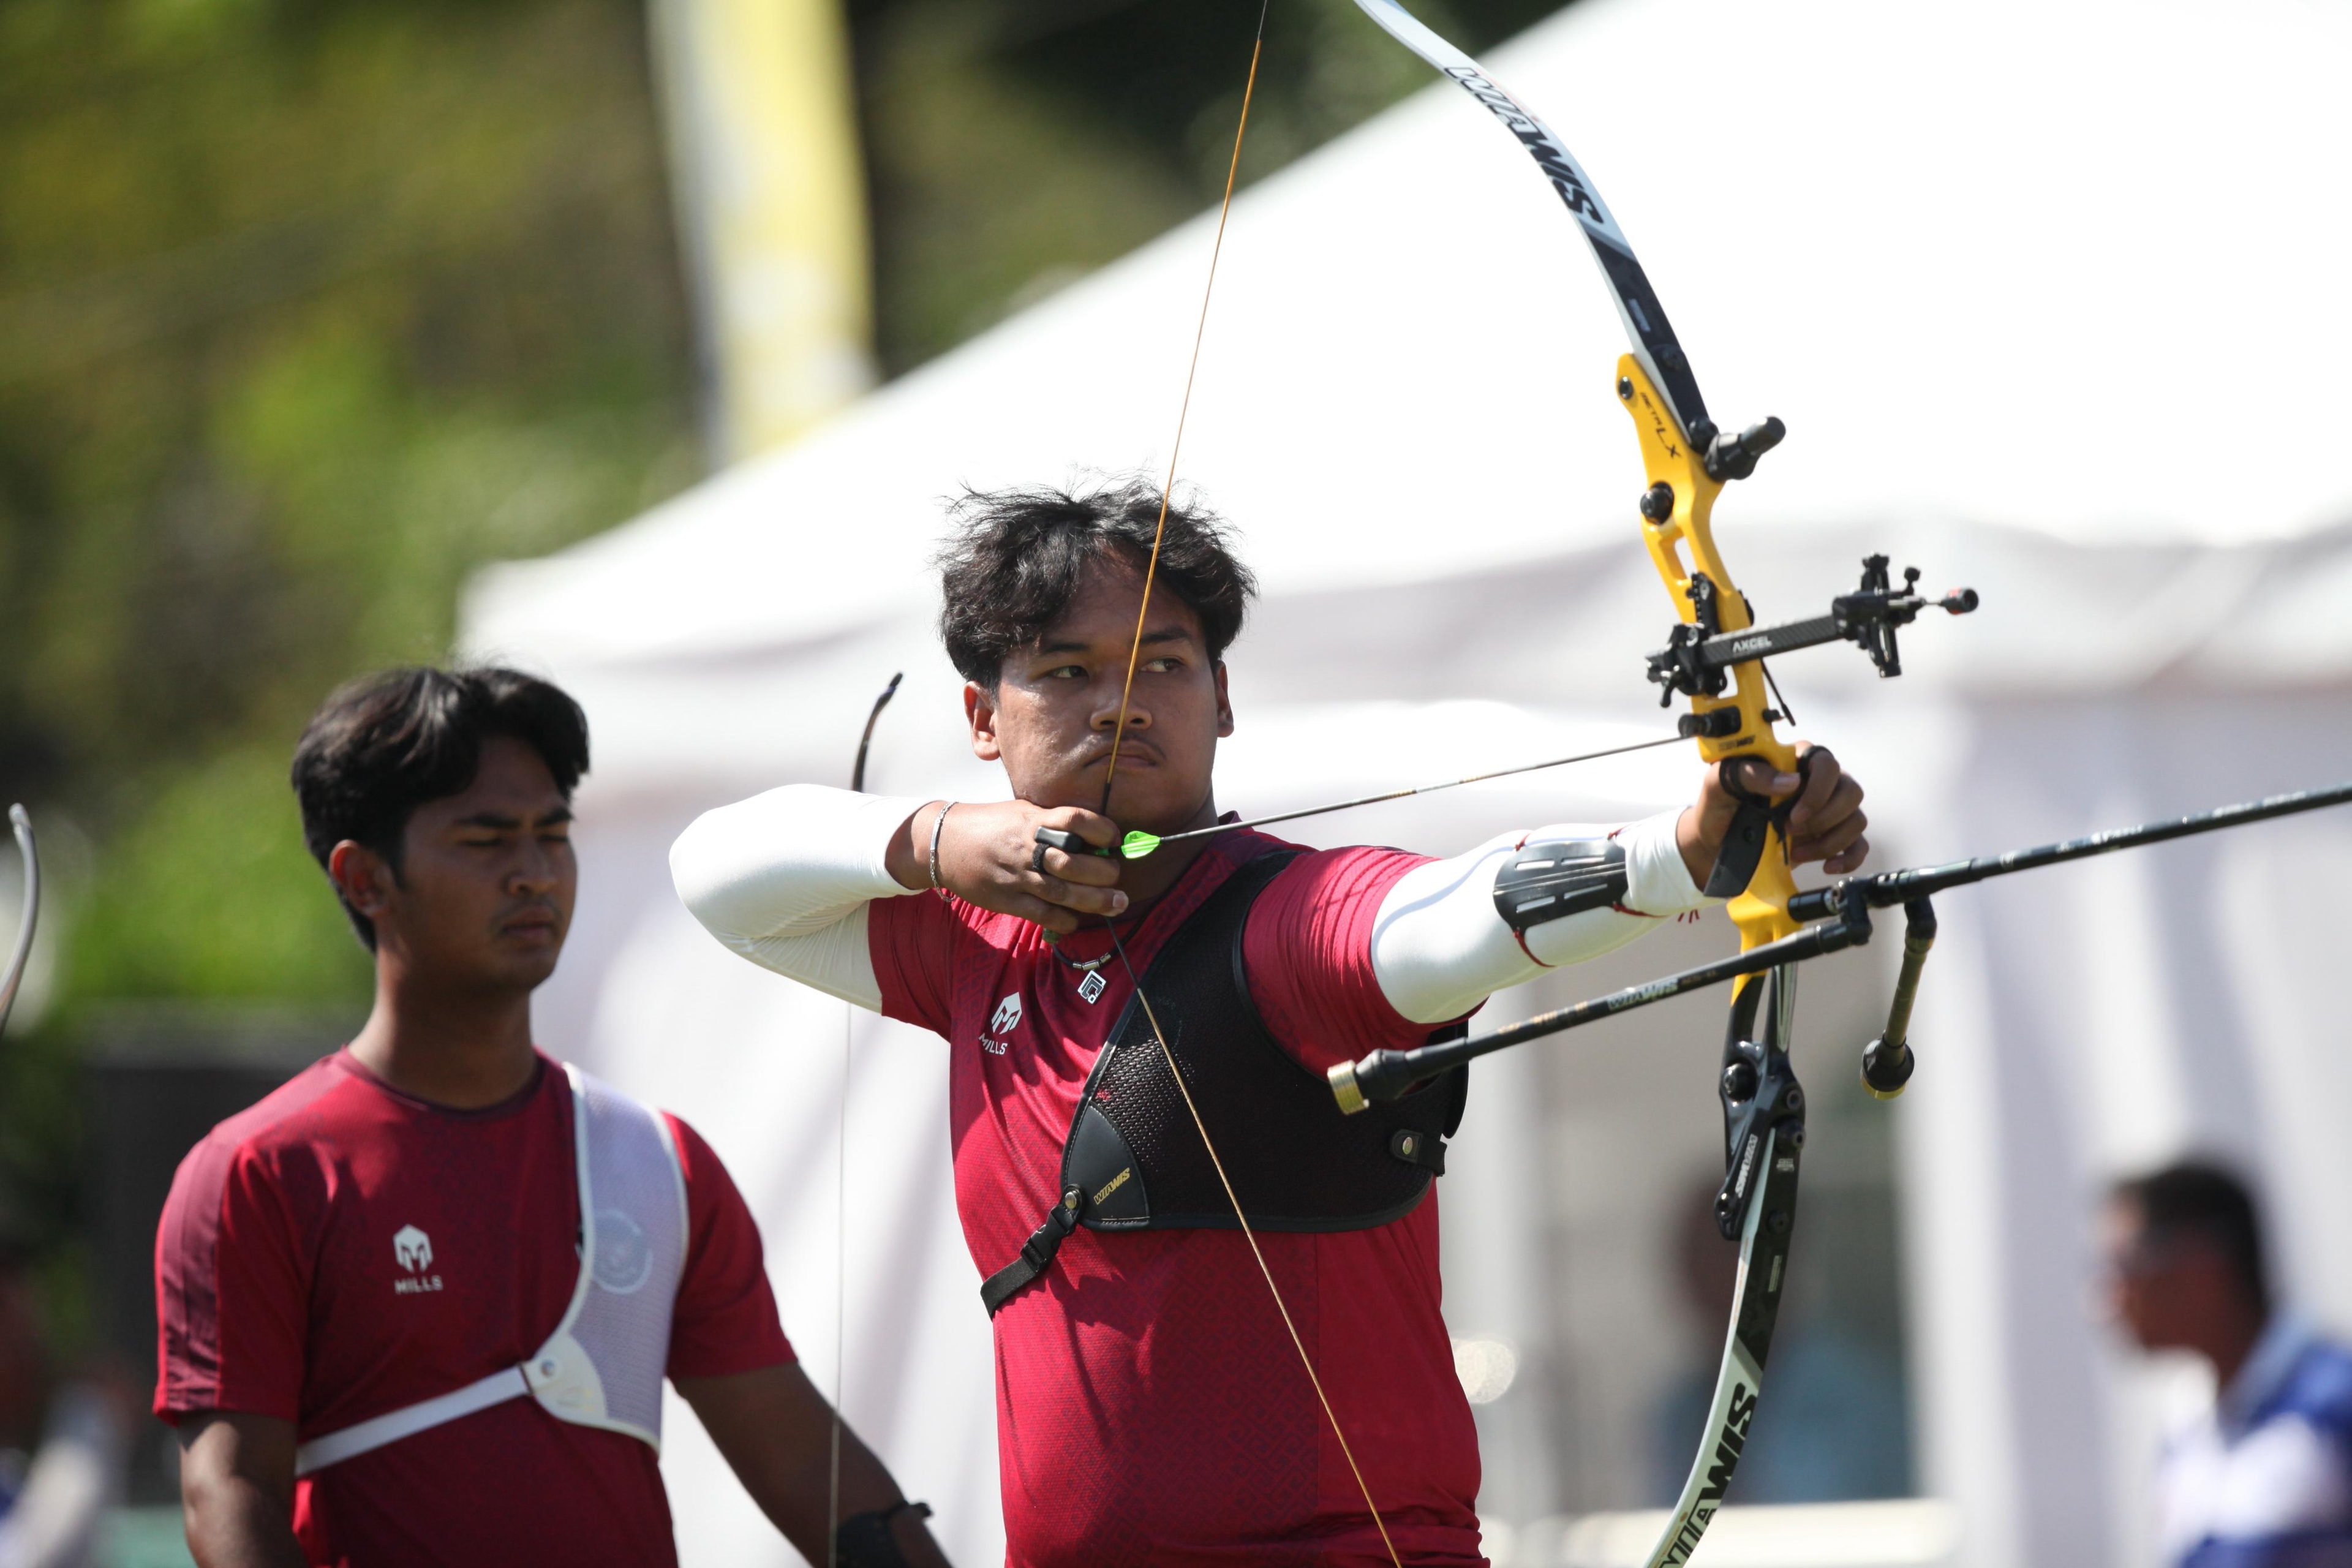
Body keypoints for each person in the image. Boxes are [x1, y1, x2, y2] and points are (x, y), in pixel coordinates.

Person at [669, 480, 1872, 1567]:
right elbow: (714, 870)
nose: (1121, 701)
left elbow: (1438, 915)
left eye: (1163, 663)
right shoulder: (965, 943)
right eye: (1069, 669)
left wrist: (1678, 852)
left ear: (1223, 696)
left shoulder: (1285, 918)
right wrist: (941, 840)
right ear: (984, 716)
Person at [153, 668, 949, 1568]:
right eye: (487, 840)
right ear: (365, 877)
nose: (534, 875)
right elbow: (229, 1487)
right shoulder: (259, 1172)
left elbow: (804, 1460)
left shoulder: (656, 1162)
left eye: (552, 835)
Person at [2108, 1160, 2352, 1567]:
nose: (2108, 1298)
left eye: (2124, 1265)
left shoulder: (2335, 1403)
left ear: (2203, 1266)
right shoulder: (2185, 1421)